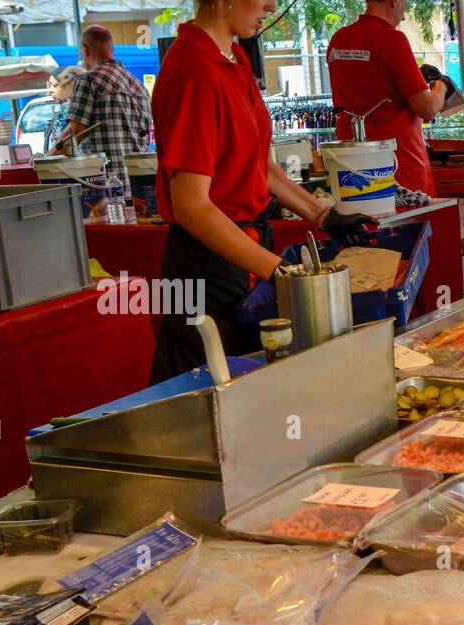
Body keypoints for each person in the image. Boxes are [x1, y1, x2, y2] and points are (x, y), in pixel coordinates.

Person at [149, 0, 372, 382]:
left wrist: (322, 214)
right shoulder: (193, 70)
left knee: (254, 393)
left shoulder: (234, 57)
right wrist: (280, 271)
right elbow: (190, 205)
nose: (271, 6)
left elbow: (257, 162)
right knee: (204, 404)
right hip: (204, 272)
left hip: (242, 256)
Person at [326, 0, 450, 197]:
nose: (405, 9)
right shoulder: (391, 39)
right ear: (395, 1)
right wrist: (441, 87)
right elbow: (427, 108)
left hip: (351, 164)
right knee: (411, 223)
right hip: (396, 163)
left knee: (362, 222)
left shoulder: (339, 39)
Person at [51, 26, 152, 208]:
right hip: (138, 192)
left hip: (103, 192)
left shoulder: (89, 80)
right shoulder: (139, 87)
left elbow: (73, 134)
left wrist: (46, 160)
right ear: (111, 48)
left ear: (85, 49)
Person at [43, 65, 85, 155]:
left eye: (55, 85)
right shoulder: (63, 109)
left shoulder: (71, 108)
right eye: (49, 85)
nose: (50, 90)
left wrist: (46, 157)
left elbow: (67, 141)